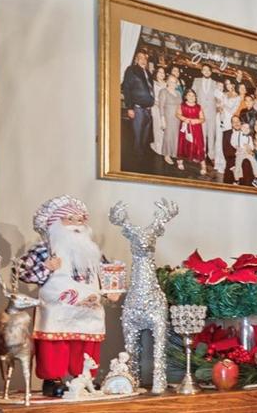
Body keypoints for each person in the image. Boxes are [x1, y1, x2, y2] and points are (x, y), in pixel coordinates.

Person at [15, 195, 110, 392]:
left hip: (88, 309)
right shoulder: (46, 249)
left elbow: (108, 273)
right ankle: (53, 380)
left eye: (80, 220)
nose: (76, 224)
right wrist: (46, 267)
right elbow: (22, 272)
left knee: (85, 344)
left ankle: (83, 377)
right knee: (55, 344)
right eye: (70, 219)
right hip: (57, 308)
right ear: (55, 224)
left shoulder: (93, 251)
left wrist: (111, 291)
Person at [120, 47, 154, 163]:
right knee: (137, 135)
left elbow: (150, 89)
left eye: (145, 58)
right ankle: (137, 161)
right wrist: (130, 107)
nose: (143, 60)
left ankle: (141, 155)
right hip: (138, 108)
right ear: (136, 59)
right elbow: (127, 89)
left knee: (145, 135)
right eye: (140, 58)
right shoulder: (131, 70)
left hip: (148, 109)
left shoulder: (148, 73)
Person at [151, 64, 180, 167]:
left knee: (173, 135)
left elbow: (180, 105)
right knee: (165, 134)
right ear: (168, 82)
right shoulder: (162, 90)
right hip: (165, 114)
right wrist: (163, 118)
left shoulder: (177, 93)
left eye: (174, 82)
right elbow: (160, 105)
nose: (172, 83)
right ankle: (165, 153)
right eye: (171, 81)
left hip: (175, 117)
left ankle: (172, 152)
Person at [176, 83, 205, 169]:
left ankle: (202, 164)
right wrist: (184, 118)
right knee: (183, 143)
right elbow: (177, 114)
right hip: (185, 128)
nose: (191, 97)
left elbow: (203, 119)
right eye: (189, 95)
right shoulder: (182, 105)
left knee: (198, 144)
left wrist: (197, 121)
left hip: (196, 128)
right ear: (185, 97)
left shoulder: (198, 107)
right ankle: (180, 160)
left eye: (193, 96)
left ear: (196, 97)